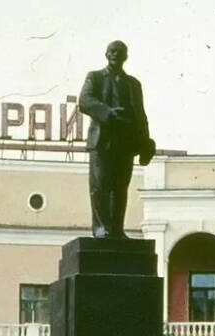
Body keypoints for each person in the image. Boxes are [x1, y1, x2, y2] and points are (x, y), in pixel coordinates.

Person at [78, 40, 156, 239]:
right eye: (112, 51)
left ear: (125, 56)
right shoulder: (94, 77)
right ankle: (101, 228)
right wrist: (108, 113)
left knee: (120, 188)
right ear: (106, 54)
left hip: (125, 143)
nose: (116, 54)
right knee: (100, 187)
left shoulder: (133, 84)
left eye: (120, 52)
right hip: (102, 141)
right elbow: (85, 101)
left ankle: (117, 230)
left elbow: (140, 114)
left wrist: (145, 142)